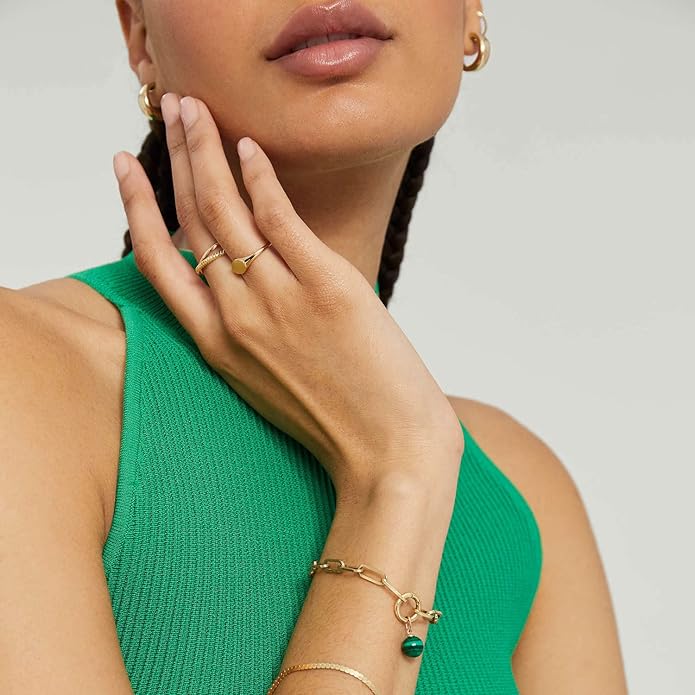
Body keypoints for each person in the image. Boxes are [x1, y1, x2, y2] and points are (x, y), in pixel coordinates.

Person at [0, 1, 629, 693]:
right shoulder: (24, 380)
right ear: (140, 33)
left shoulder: (522, 495)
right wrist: (397, 471)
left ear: (472, 13)